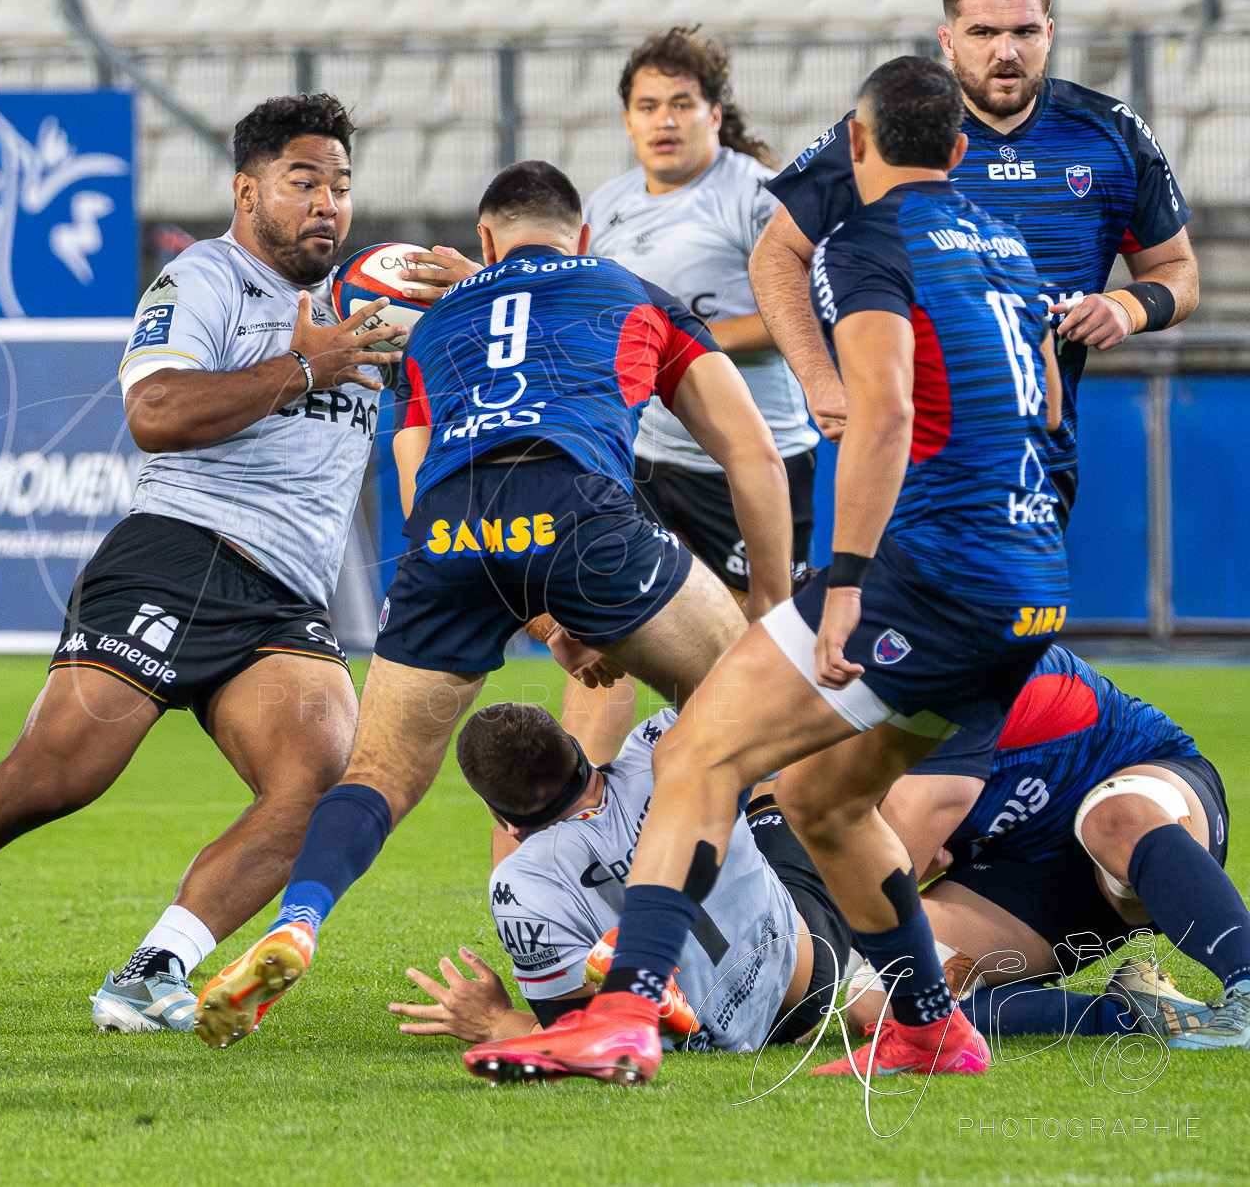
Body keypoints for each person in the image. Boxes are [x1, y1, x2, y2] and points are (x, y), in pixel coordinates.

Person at [463, 57, 1067, 1086]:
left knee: (699, 751)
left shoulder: (871, 239)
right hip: (1025, 582)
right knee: (825, 799)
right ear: (960, 150)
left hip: (919, 578)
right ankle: (926, 1027)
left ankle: (620, 1013)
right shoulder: (1004, 243)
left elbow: (878, 415)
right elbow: (1046, 404)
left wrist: (844, 581)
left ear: (858, 143)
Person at [0, 94, 401, 1033]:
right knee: (48, 781)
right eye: (303, 183)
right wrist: (300, 370)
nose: (327, 204)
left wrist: (476, 287)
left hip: (282, 597)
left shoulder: (361, 313)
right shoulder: (207, 280)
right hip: (177, 557)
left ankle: (153, 968)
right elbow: (155, 414)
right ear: (247, 190)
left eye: (340, 186)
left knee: (323, 785)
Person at [195, 159, 793, 1049]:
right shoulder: (633, 290)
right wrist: (772, 618)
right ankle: (639, 935)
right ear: (581, 236)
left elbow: (412, 469)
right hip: (580, 512)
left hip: (446, 530)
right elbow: (752, 456)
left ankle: (299, 922)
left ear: (484, 242)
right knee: (753, 711)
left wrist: (545, 621)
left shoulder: (440, 324)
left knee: (380, 777)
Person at [751, 0, 1196, 521]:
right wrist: (819, 381)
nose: (1005, 51)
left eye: (1024, 32)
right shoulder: (889, 131)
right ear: (948, 39)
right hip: (902, 453)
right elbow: (777, 255)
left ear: (1050, 33)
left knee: (992, 606)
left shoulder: (1111, 134)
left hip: (1037, 457)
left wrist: (1126, 308)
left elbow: (1178, 271)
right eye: (983, 31)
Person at [570, 27, 819, 762]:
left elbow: (799, 313)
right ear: (627, 119)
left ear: (716, 112)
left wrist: (676, 341)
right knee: (601, 634)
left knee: (746, 651)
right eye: (648, 105)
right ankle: (564, 806)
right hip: (648, 459)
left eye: (682, 103)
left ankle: (754, 807)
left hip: (752, 460)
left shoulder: (756, 194)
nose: (664, 120)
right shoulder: (606, 206)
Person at [388, 704, 856, 1066]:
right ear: (578, 750)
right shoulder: (663, 739)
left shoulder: (518, 882)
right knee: (784, 789)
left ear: (502, 817)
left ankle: (651, 987)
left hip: (706, 1037)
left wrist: (496, 1021)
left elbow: (569, 1028)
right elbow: (780, 709)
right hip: (803, 972)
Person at [843, 646, 1250, 1049]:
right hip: (1030, 863)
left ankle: (1245, 979)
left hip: (1143, 795)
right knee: (881, 996)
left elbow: (892, 871)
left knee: (1113, 818)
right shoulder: (834, 716)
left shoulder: (957, 672)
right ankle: (1134, 1014)